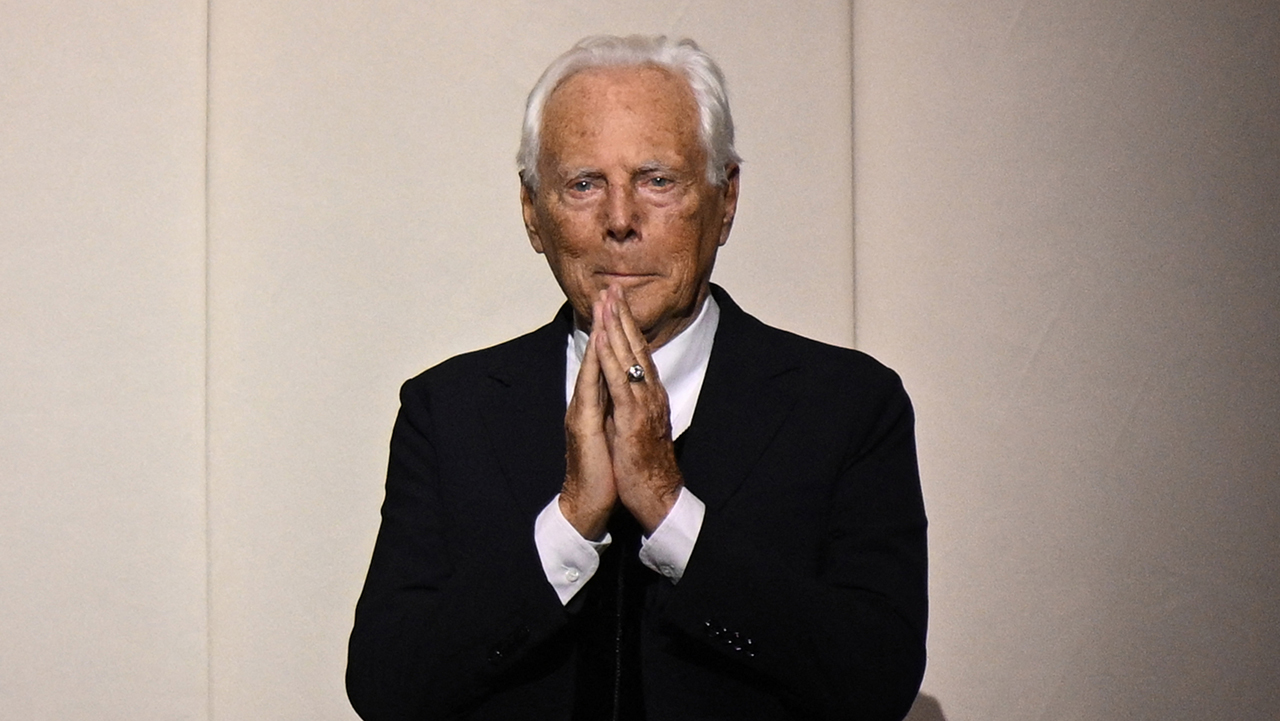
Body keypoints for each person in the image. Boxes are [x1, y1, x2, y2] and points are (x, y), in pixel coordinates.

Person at [347, 34, 927, 721]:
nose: (620, 221)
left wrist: (669, 510)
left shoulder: (847, 406)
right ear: (534, 212)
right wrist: (567, 525)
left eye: (658, 180)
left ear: (727, 198)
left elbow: (876, 681)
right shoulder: (449, 411)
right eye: (583, 184)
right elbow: (386, 686)